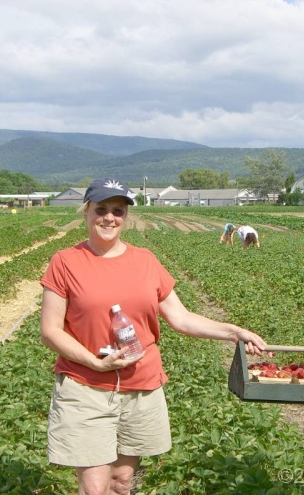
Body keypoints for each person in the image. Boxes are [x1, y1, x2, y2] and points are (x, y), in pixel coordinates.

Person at [39, 178, 268, 495]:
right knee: (94, 487)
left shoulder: (145, 260)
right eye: (101, 209)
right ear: (86, 212)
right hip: (86, 385)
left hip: (141, 386)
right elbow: (50, 331)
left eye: (117, 211)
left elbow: (181, 317)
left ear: (126, 217)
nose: (109, 218)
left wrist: (235, 332)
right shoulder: (65, 262)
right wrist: (94, 361)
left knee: (121, 481)